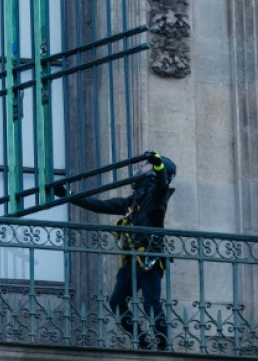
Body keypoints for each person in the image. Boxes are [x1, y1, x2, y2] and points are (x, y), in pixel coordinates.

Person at [56, 150, 177, 350]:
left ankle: (163, 344)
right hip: (131, 260)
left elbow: (162, 184)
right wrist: (68, 195)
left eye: (145, 164)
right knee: (116, 301)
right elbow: (99, 205)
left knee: (150, 303)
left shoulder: (157, 195)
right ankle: (142, 340)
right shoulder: (132, 202)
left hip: (149, 258)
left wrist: (158, 164)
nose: (141, 166)